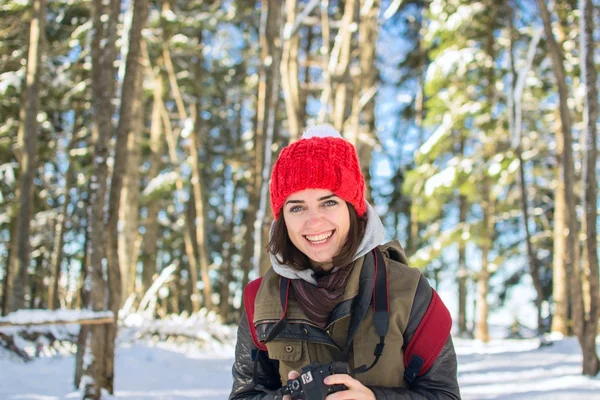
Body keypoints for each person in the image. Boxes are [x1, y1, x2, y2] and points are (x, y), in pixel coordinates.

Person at [230, 125, 460, 399]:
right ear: (283, 220)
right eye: (297, 207)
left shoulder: (410, 292)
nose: (314, 221)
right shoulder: (259, 300)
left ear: (353, 209)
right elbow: (245, 394)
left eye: (329, 203)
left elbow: (444, 395)